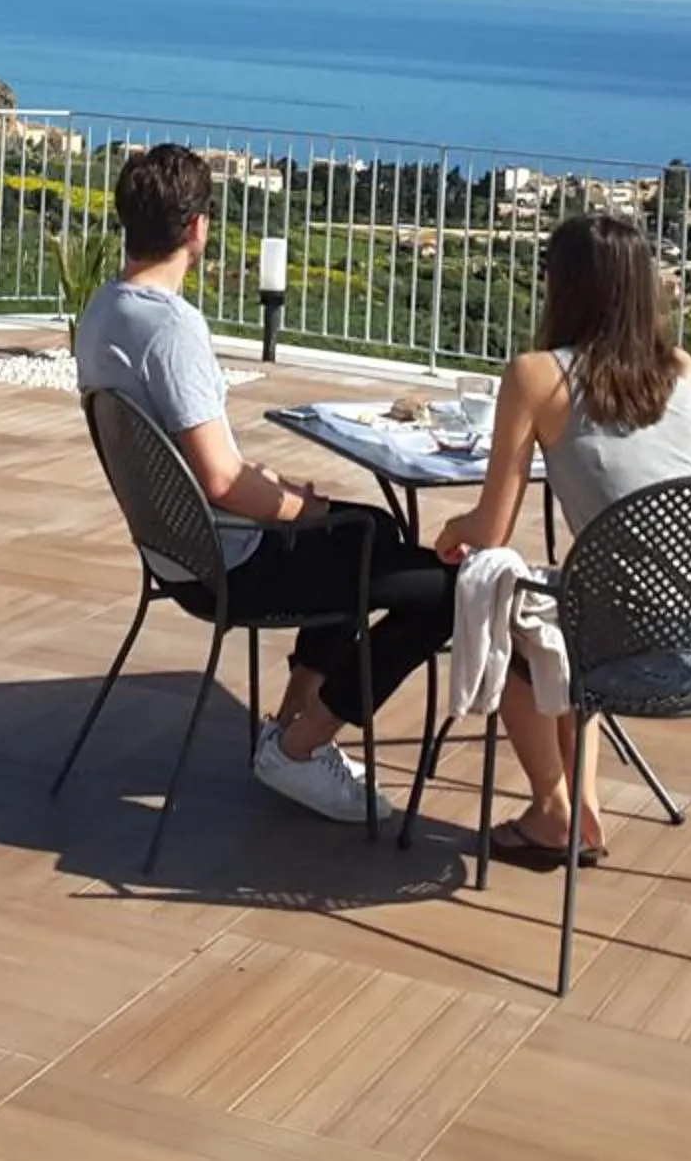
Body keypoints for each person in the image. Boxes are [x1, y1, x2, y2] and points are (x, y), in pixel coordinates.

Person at [75, 143, 456, 824]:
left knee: (370, 531)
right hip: (227, 564)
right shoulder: (171, 330)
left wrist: (283, 494)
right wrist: (300, 507)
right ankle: (302, 751)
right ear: (198, 228)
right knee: (440, 592)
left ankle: (288, 725)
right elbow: (221, 481)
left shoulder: (103, 312)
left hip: (176, 548)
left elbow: (200, 465)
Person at [435, 211, 691, 866]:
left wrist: (449, 534)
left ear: (562, 286)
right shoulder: (685, 370)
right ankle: (579, 811)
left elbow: (490, 531)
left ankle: (554, 809)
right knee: (567, 607)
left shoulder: (538, 376)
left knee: (503, 605)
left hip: (622, 644)